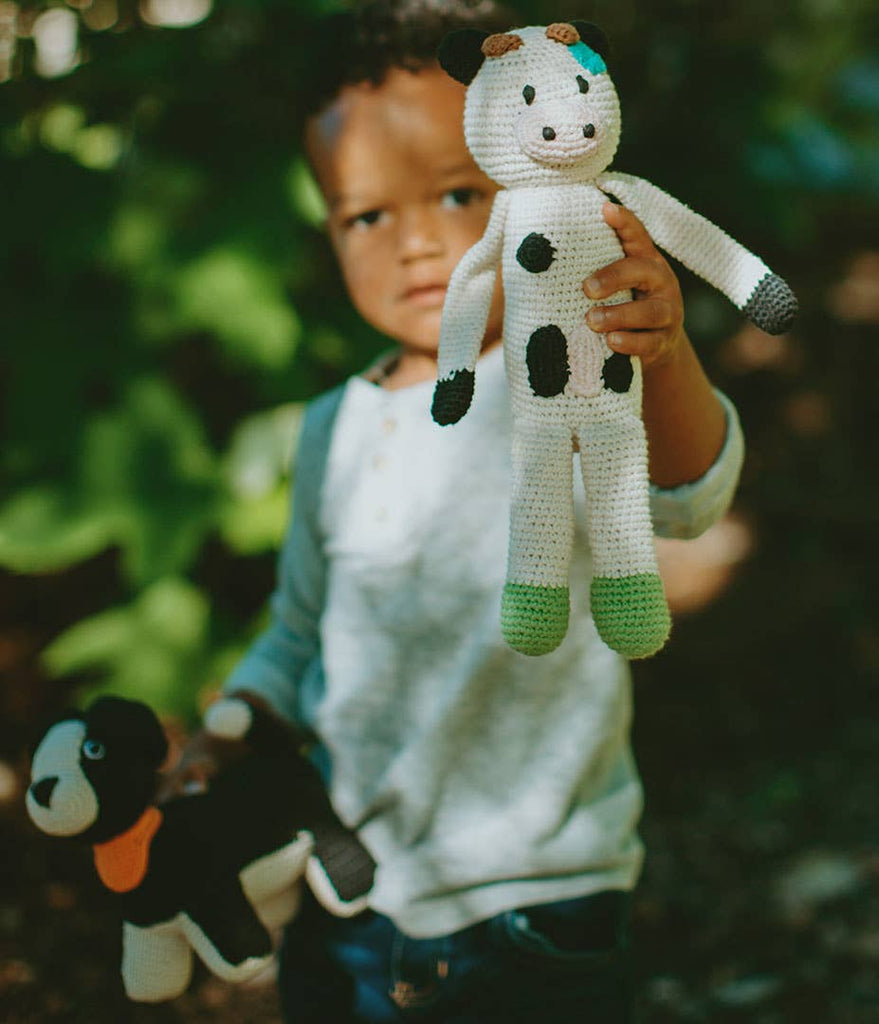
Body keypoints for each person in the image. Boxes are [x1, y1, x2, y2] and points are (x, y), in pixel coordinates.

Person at [164, 2, 745, 1020]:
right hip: (348, 893)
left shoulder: (565, 372)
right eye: (366, 215)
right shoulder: (329, 430)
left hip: (537, 893)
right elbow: (300, 628)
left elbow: (691, 501)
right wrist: (227, 732)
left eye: (456, 193)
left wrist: (667, 355)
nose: (419, 244)